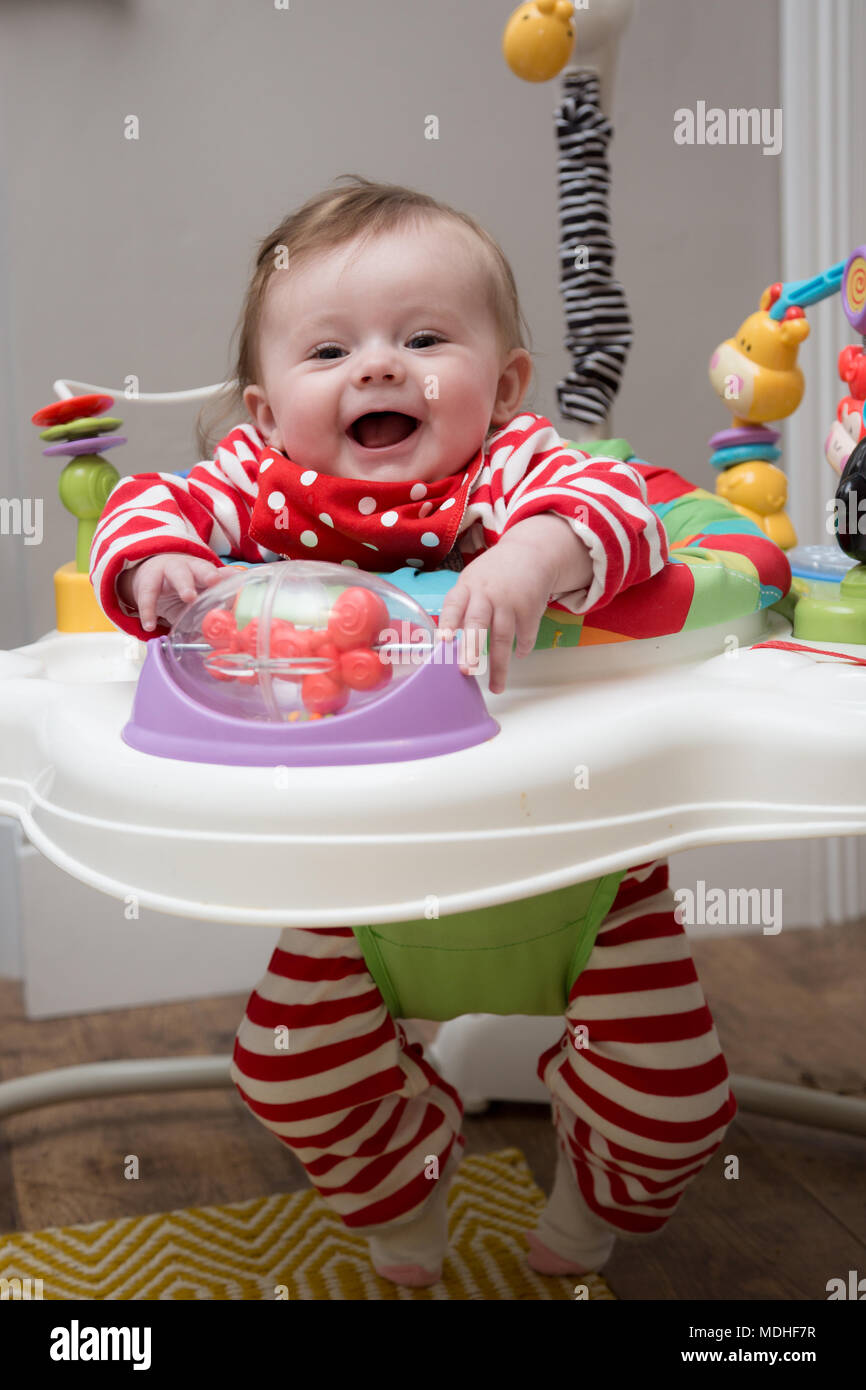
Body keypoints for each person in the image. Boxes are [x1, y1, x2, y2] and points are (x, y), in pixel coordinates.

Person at [90, 175, 736, 1287]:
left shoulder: (513, 464)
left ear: (505, 383)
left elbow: (617, 505)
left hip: (583, 878)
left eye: (424, 337)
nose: (379, 367)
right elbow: (147, 503)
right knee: (287, 1067)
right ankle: (406, 1181)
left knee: (672, 1095)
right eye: (329, 351)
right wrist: (159, 563)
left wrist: (533, 556)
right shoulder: (261, 481)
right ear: (263, 412)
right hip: (359, 887)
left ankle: (594, 1196)